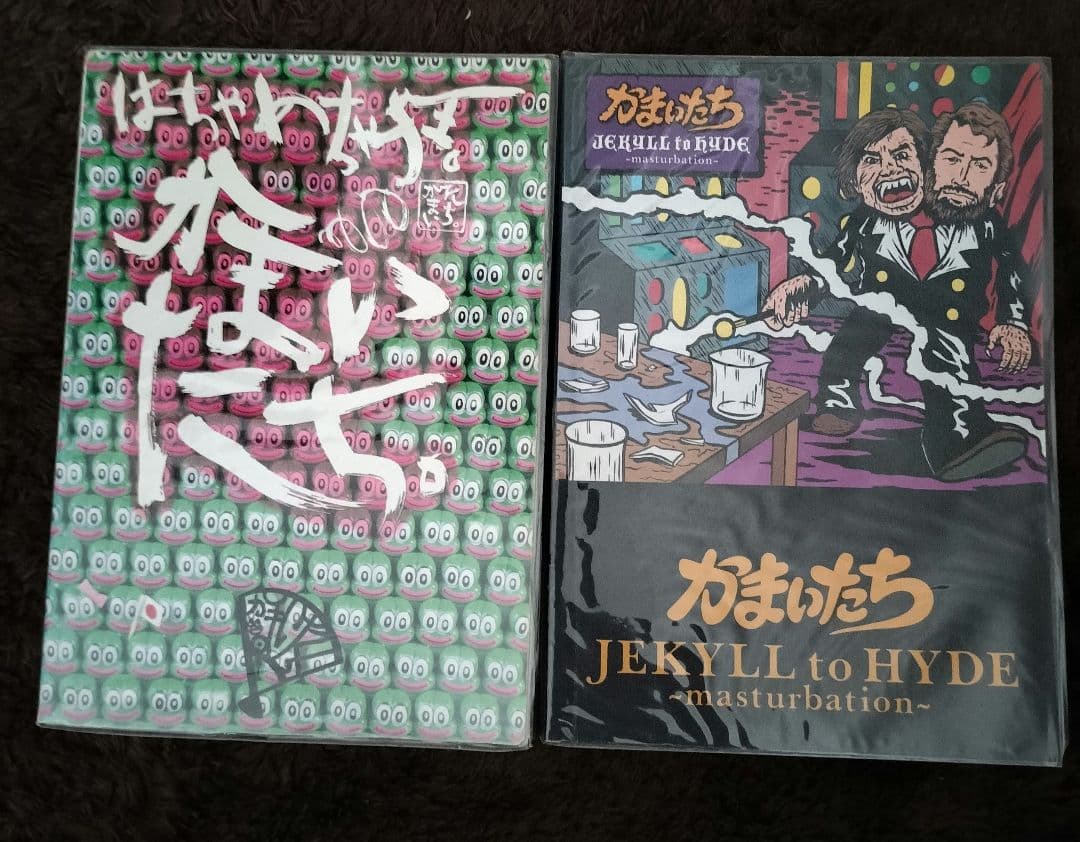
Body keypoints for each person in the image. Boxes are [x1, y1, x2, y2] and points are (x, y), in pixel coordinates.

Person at [766, 102, 1034, 481]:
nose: (890, 169)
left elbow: (1012, 270)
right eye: (871, 160)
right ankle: (838, 401)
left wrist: (1013, 321)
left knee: (948, 360)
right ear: (855, 184)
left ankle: (956, 440)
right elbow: (835, 260)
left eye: (902, 154)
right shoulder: (864, 220)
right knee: (848, 346)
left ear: (925, 164)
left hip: (946, 309)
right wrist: (806, 284)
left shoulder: (978, 218)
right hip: (883, 298)